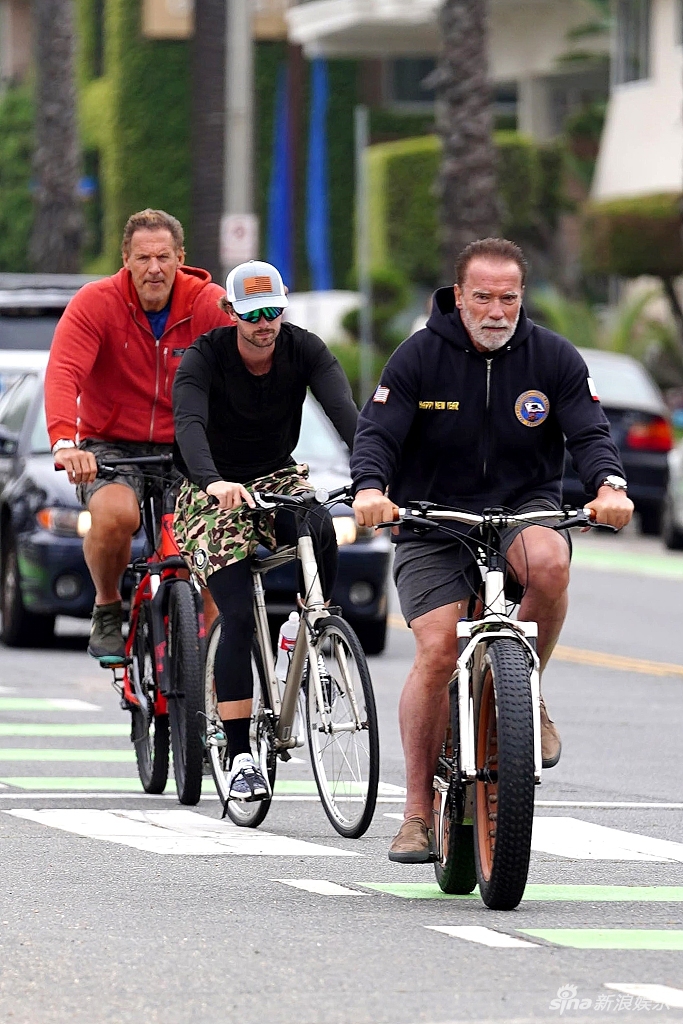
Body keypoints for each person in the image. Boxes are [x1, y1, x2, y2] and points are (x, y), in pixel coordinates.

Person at [350, 237, 633, 863]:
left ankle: (522, 694)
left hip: (521, 509)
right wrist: (371, 489)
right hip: (431, 518)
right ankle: (418, 815)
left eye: (508, 297)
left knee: (552, 563)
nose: (496, 310)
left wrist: (609, 485)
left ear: (521, 298)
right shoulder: (418, 357)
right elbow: (377, 435)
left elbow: (589, 434)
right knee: (437, 648)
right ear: (459, 297)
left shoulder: (553, 358)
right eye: (483, 297)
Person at [172, 259, 358, 803]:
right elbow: (189, 427)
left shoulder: (306, 350)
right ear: (231, 313)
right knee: (236, 617)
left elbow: (346, 413)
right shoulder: (204, 358)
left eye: (273, 312)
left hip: (276, 476)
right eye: (253, 315)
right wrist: (211, 483)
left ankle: (311, 625)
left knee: (319, 522)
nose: (265, 325)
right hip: (211, 490)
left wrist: (373, 478)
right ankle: (239, 754)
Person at [45, 208, 232, 660]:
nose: (154, 268)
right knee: (114, 516)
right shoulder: (96, 302)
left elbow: (246, 363)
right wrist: (66, 442)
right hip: (111, 443)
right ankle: (108, 605)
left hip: (188, 441)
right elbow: (64, 372)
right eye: (143, 257)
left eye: (164, 257)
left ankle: (213, 666)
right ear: (125, 258)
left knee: (212, 538)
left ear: (180, 258)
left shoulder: (208, 303)